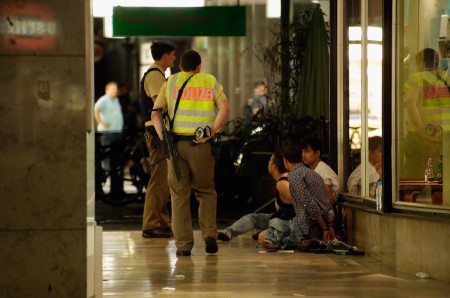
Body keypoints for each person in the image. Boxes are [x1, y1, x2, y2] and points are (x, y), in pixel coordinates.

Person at [152, 49, 230, 256]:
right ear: (199, 66)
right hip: (201, 144)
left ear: (180, 67)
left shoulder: (170, 83)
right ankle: (209, 235)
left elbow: (155, 114)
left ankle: (184, 246)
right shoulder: (209, 81)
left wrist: (163, 139)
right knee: (205, 191)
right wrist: (211, 132)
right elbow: (225, 108)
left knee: (179, 195)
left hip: (175, 146)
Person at [258, 142, 335, 250]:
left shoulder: (294, 175)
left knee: (263, 239)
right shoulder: (311, 172)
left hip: (308, 226)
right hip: (317, 222)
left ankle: (301, 243)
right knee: (267, 230)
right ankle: (300, 242)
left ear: (285, 160)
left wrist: (325, 229)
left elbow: (309, 203)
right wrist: (330, 225)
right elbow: (327, 205)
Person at [140, 41, 176, 238]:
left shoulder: (158, 75)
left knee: (162, 180)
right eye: (172, 55)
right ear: (165, 56)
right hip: (156, 132)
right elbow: (159, 105)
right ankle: (151, 224)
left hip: (157, 131)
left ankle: (160, 222)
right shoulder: (155, 76)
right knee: (159, 180)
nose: (174, 58)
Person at [217, 151, 294, 241]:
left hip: (286, 222)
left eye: (270, 161)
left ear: (274, 166)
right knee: (253, 218)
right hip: (281, 218)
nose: (268, 163)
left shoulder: (282, 182)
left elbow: (298, 204)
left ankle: (231, 232)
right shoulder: (286, 179)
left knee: (254, 219)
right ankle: (229, 232)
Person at [403, 48, 448, 178]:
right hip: (441, 140)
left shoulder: (416, 78)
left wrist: (422, 130)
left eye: (417, 64)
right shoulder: (445, 80)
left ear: (421, 64)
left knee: (412, 183)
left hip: (421, 139)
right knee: (438, 184)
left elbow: (411, 104)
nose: (417, 68)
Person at [301, 137, 339, 206]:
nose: (303, 155)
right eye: (302, 151)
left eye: (307, 151)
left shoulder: (322, 170)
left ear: (317, 153)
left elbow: (329, 200)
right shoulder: (315, 169)